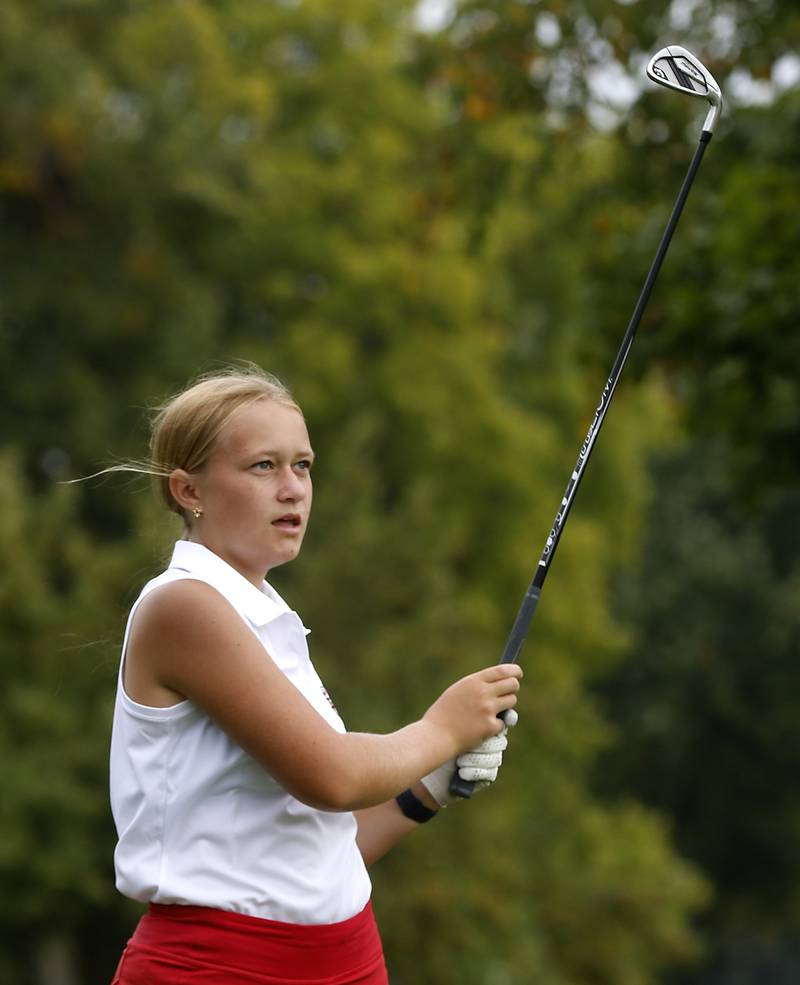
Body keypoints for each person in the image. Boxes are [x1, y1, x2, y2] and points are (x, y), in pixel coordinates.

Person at [108, 364, 522, 985]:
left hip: (347, 960)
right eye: (263, 466)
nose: (293, 489)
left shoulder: (268, 616)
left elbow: (319, 858)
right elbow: (333, 776)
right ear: (188, 491)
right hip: (219, 968)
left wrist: (425, 790)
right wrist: (442, 729)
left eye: (302, 465)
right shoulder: (184, 606)